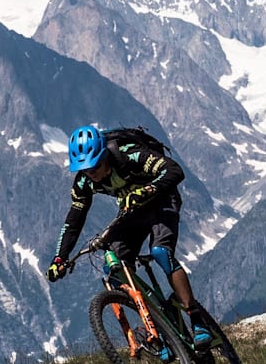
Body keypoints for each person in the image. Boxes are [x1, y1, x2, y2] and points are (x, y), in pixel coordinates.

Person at [45, 124, 212, 350]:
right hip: (132, 210)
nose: (91, 174)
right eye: (85, 169)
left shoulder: (129, 155)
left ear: (105, 155)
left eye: (95, 166)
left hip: (162, 200)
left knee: (161, 252)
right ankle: (157, 325)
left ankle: (196, 318)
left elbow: (174, 170)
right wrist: (59, 258)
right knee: (114, 268)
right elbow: (74, 220)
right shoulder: (85, 181)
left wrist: (149, 189)